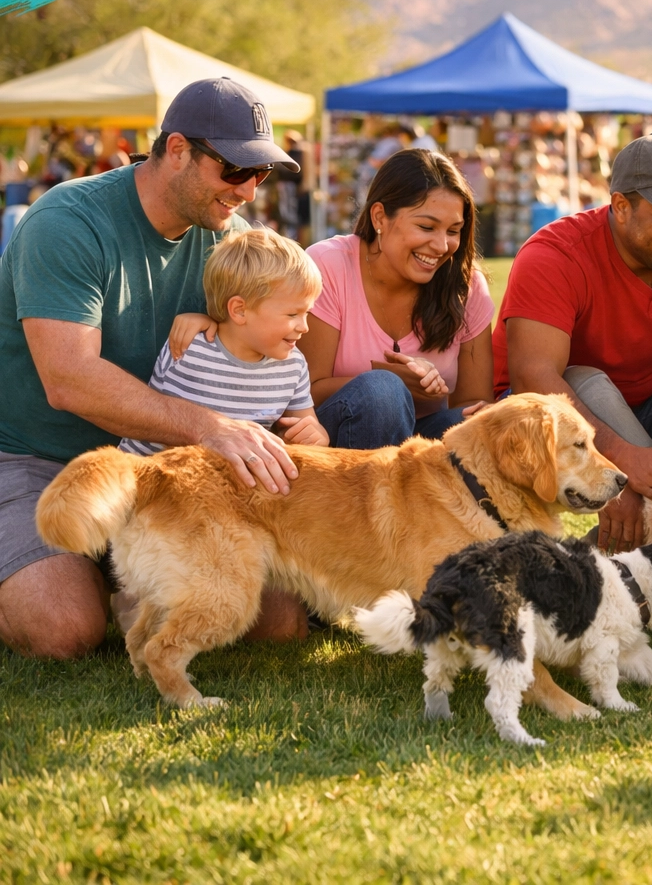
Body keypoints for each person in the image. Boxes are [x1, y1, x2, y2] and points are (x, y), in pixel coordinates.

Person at [0, 77, 309, 660]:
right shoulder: (67, 220)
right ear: (175, 150)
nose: (248, 190)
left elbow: (277, 334)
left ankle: (116, 572)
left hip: (163, 474)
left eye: (261, 174)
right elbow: (67, 379)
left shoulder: (231, 240)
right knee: (63, 629)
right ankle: (76, 571)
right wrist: (209, 426)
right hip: (36, 458)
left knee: (275, 624)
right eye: (235, 171)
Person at [495, 133, 652, 550]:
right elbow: (533, 377)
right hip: (549, 430)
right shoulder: (555, 256)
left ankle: (648, 532)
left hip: (647, 409)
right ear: (621, 207)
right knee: (585, 377)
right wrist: (619, 463)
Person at [299, 149, 494, 448]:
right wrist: (396, 382)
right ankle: (367, 497)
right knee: (383, 394)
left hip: (422, 441)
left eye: (454, 231)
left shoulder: (466, 286)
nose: (442, 246)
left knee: (484, 428)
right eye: (426, 227)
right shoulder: (327, 265)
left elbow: (473, 403)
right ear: (380, 217)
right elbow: (304, 391)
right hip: (334, 443)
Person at [124, 228, 327, 456]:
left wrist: (318, 437)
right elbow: (148, 434)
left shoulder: (294, 365)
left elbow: (308, 427)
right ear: (239, 311)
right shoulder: (188, 350)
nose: (304, 327)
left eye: (307, 313)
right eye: (292, 315)